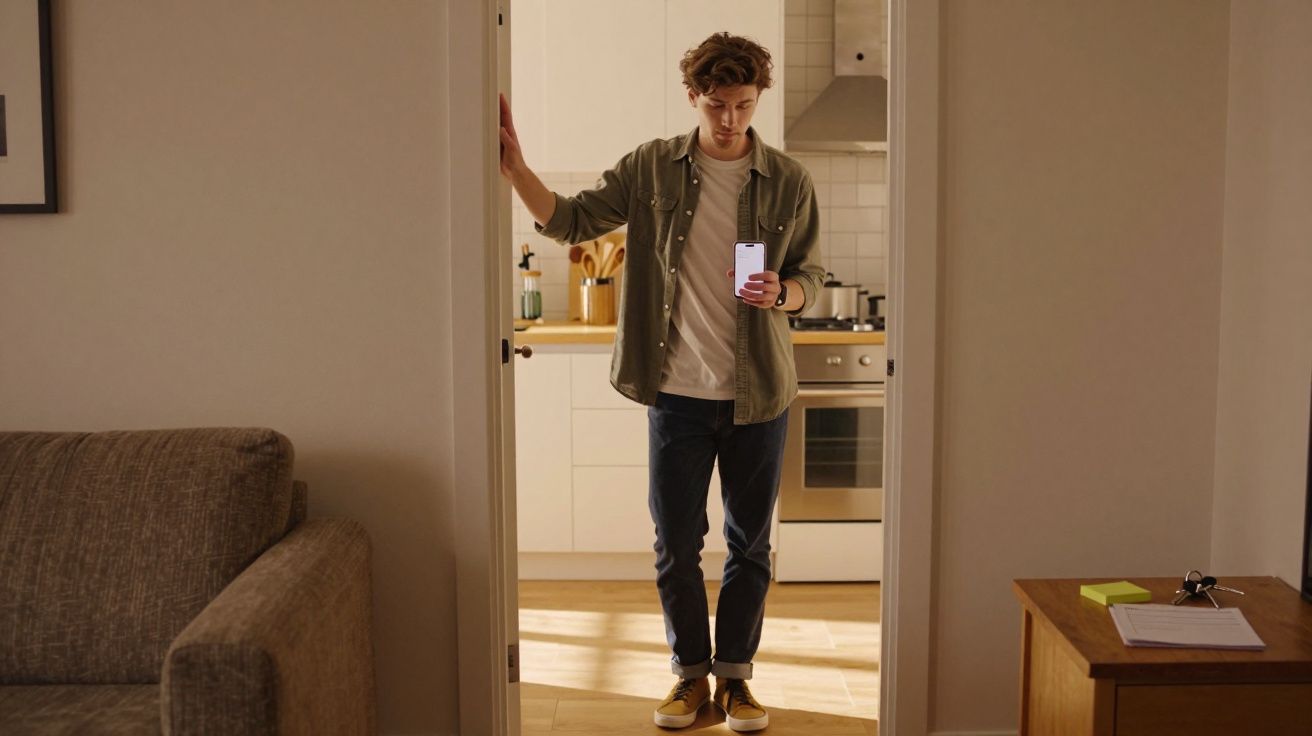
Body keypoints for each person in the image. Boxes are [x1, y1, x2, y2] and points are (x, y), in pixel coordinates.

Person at [498, 31, 823, 732]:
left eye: (741, 104)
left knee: (751, 545)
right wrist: (517, 170)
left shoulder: (789, 180)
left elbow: (812, 275)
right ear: (693, 98)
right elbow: (574, 220)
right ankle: (689, 677)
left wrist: (784, 295)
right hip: (676, 395)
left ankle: (736, 680)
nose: (729, 120)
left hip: (759, 393)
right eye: (716, 105)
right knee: (677, 545)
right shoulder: (651, 168)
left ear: (758, 97)